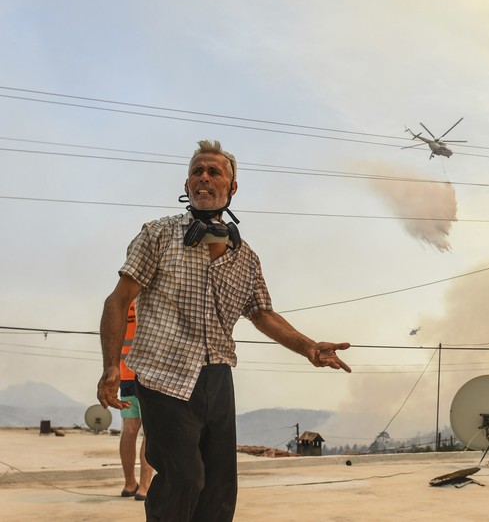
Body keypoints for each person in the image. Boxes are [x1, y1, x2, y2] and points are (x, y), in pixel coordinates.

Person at [97, 139, 351, 521]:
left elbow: (263, 314)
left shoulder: (244, 255)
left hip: (216, 378)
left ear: (232, 188)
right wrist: (111, 367)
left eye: (214, 171)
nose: (203, 177)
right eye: (196, 171)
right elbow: (116, 301)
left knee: (219, 490)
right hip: (163, 376)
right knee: (183, 480)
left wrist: (308, 347)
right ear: (186, 187)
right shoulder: (158, 235)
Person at [118, 300, 153, 501]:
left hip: (125, 375)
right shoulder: (152, 300)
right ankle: (145, 488)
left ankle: (129, 484)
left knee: (129, 429)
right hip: (149, 375)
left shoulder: (123, 303)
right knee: (150, 430)